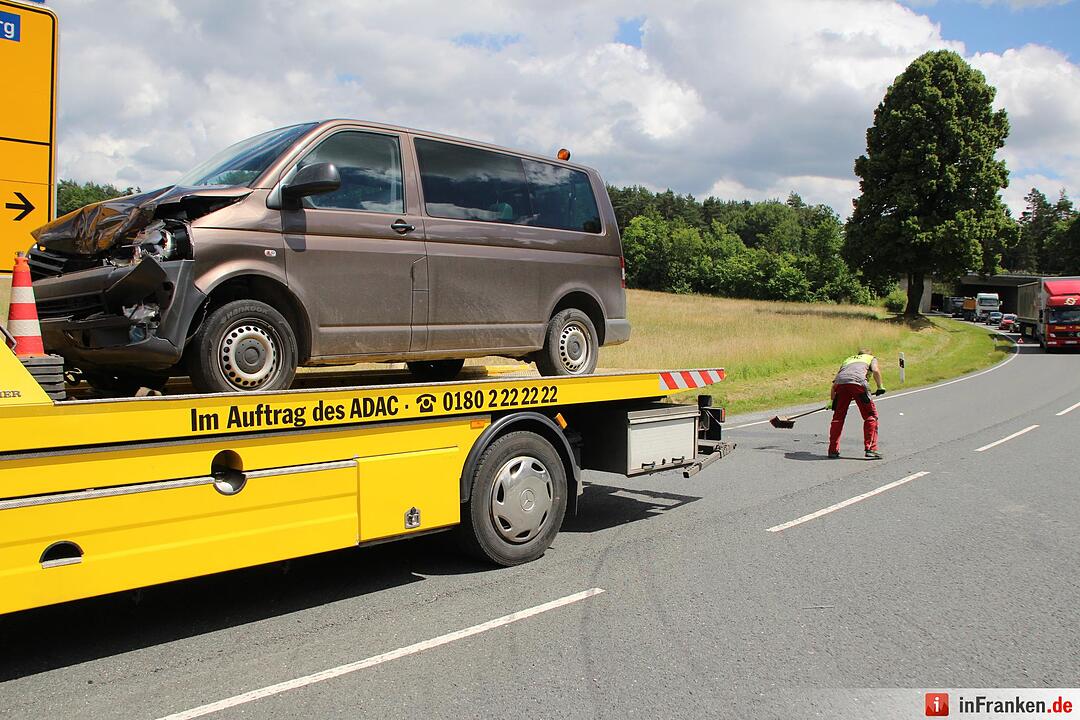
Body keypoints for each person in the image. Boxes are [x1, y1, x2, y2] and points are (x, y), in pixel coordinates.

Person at [828, 348, 885, 459]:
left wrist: (831, 401)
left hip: (840, 385)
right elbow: (876, 370)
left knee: (838, 418)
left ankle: (832, 450)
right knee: (870, 416)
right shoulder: (870, 358)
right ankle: (871, 449)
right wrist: (880, 386)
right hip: (858, 384)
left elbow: (836, 381)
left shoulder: (848, 360)